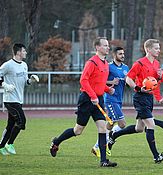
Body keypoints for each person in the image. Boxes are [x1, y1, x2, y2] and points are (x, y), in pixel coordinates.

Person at [50, 37, 117, 167]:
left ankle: (103, 161)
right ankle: (56, 142)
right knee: (78, 130)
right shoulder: (92, 62)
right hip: (87, 99)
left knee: (103, 129)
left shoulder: (105, 64)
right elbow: (84, 81)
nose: (108, 48)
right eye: (105, 45)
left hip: (98, 100)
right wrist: (92, 96)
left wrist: (108, 90)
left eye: (108, 45)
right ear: (97, 47)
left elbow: (99, 83)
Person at [108, 39, 163, 164]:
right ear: (148, 49)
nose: (159, 50)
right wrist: (138, 88)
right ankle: (156, 156)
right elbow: (128, 79)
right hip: (140, 98)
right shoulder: (139, 63)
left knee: (139, 128)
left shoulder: (157, 64)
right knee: (151, 125)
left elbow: (155, 82)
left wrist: (159, 77)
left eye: (159, 48)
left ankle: (113, 136)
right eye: (156, 48)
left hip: (149, 98)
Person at [0, 43, 39, 155]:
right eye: (24, 51)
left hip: (19, 99)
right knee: (21, 121)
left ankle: (1, 147)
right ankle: (10, 144)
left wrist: (30, 80)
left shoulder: (24, 65)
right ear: (18, 52)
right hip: (10, 100)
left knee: (10, 125)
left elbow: (25, 81)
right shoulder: (8, 65)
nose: (25, 53)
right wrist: (5, 85)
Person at [91, 46, 129, 158]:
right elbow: (101, 81)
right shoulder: (108, 67)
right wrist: (111, 81)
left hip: (119, 99)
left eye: (123, 53)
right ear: (114, 55)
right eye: (120, 54)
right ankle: (111, 138)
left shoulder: (126, 67)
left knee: (110, 123)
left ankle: (97, 146)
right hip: (111, 99)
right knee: (122, 124)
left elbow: (127, 80)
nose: (123, 56)